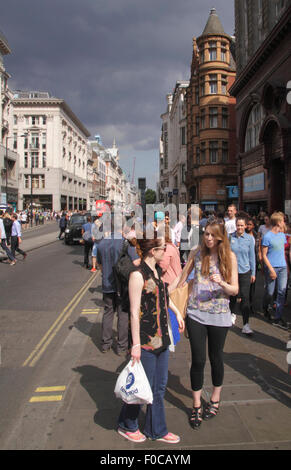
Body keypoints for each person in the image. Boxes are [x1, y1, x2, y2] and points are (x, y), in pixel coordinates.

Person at [117, 233, 185, 443]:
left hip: (162, 338)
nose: (166, 251)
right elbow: (135, 311)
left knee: (159, 387)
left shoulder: (156, 271)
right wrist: (135, 345)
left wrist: (177, 312)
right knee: (141, 387)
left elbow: (163, 294)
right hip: (146, 341)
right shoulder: (137, 275)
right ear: (152, 251)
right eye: (163, 248)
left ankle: (157, 430)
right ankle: (127, 424)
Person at [175, 218, 238, 429]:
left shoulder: (229, 257)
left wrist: (222, 283)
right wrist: (164, 292)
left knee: (216, 357)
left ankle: (215, 399)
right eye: (206, 234)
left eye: (213, 235)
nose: (208, 238)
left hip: (219, 314)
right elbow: (181, 278)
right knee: (199, 359)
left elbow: (235, 289)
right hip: (196, 314)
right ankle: (196, 405)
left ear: (221, 236)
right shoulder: (196, 252)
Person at [97, 216, 139, 355]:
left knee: (108, 312)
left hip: (107, 284)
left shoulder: (102, 244)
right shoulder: (125, 243)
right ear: (123, 227)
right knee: (123, 314)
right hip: (123, 285)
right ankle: (121, 347)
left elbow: (100, 265)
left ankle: (105, 344)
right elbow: (135, 263)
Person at [229, 216, 256, 335]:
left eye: (242, 225)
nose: (239, 227)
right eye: (238, 225)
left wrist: (253, 272)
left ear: (245, 226)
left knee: (245, 298)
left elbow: (252, 257)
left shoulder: (250, 239)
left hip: (245, 271)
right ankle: (231, 315)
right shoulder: (230, 237)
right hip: (232, 272)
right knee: (233, 296)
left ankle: (246, 324)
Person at [262, 211, 288, 329]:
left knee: (282, 292)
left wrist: (286, 265)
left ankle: (278, 317)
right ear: (278, 222)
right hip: (272, 268)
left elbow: (282, 251)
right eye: (283, 220)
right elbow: (264, 255)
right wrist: (271, 269)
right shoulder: (267, 236)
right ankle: (265, 306)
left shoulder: (282, 235)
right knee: (270, 292)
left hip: (282, 268)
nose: (284, 222)